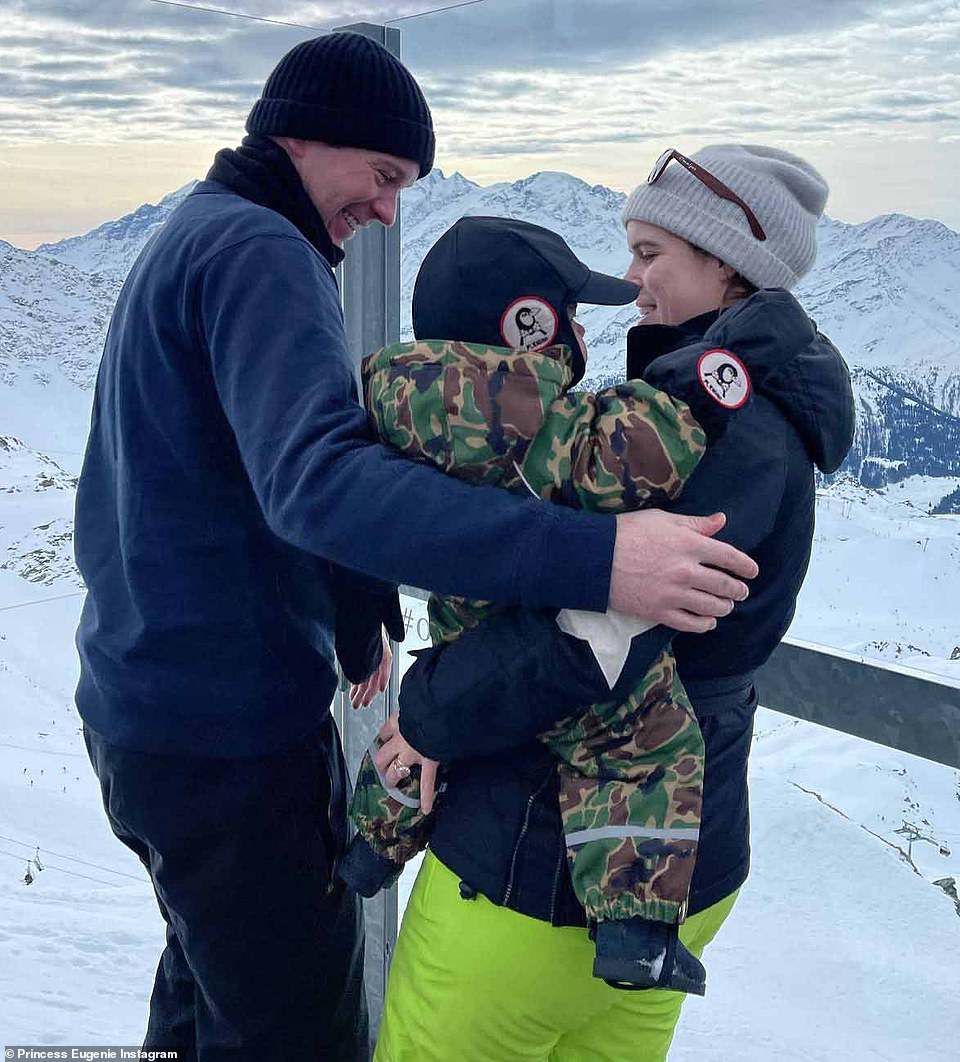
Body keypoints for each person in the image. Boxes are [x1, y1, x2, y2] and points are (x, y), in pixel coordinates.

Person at [72, 30, 757, 1062]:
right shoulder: (264, 250)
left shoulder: (200, 230)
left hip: (147, 714)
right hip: (224, 739)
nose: (390, 209)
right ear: (303, 138)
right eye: (384, 175)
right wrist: (599, 561)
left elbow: (237, 468)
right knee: (293, 1032)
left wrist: (352, 608)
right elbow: (318, 478)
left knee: (206, 991)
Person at [372, 145, 855, 1061]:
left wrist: (429, 715)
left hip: (537, 870)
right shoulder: (740, 400)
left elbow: (592, 640)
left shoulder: (715, 425)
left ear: (728, 264)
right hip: (691, 861)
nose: (632, 282)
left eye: (650, 254)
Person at [340, 215, 766, 994]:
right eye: (566, 315)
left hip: (465, 626)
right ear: (528, 325)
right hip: (546, 654)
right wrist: (700, 396)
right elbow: (630, 455)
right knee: (641, 745)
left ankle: (370, 844)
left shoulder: (390, 401)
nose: (579, 330)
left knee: (418, 731)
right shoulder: (533, 418)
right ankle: (634, 931)